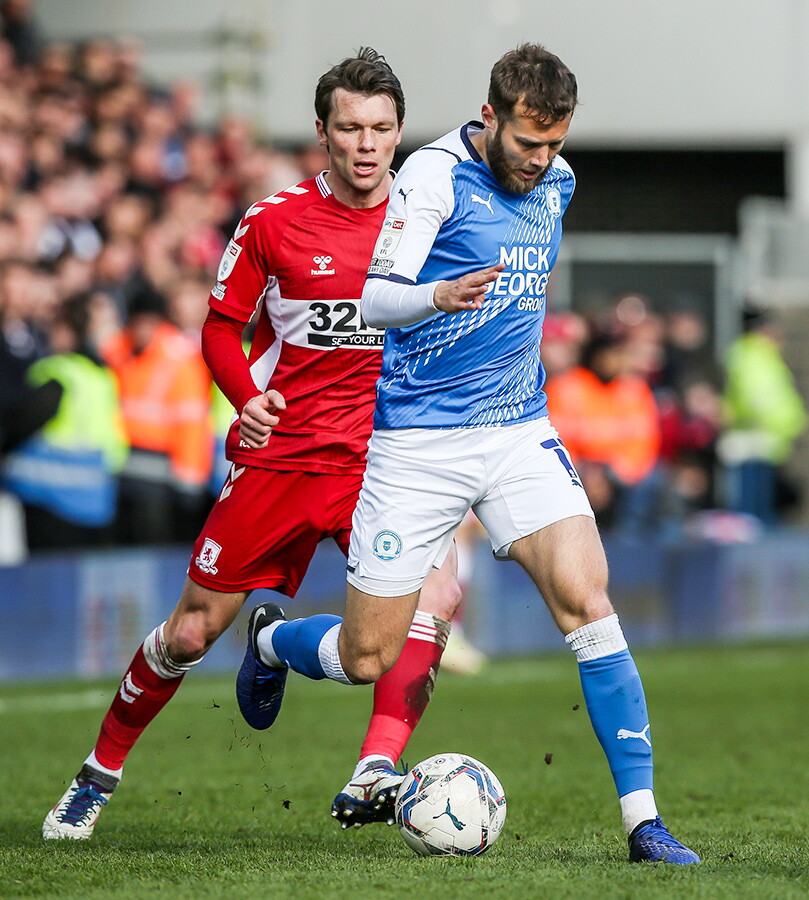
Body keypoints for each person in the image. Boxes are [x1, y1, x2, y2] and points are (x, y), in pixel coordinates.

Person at [240, 43, 699, 865]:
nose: (540, 161)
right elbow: (375, 298)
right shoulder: (431, 178)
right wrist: (438, 297)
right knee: (364, 653)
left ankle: (643, 822)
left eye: (554, 144)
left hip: (518, 430)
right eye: (527, 143)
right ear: (489, 117)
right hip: (417, 444)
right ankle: (273, 642)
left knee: (587, 603)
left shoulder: (556, 183)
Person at [43, 48, 461, 841]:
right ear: (323, 132)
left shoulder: (432, 224)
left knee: (437, 598)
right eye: (350, 128)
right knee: (191, 632)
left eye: (380, 128)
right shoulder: (274, 221)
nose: (366, 144)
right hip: (283, 456)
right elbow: (219, 326)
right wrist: (246, 402)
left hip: (382, 462)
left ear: (400, 133)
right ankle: (96, 775)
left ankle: (373, 767)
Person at [718, 306, 807, 526]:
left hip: (769, 440)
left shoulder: (762, 355)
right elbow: (756, 398)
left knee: (762, 505)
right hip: (755, 439)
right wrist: (778, 423)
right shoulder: (751, 354)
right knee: (751, 511)